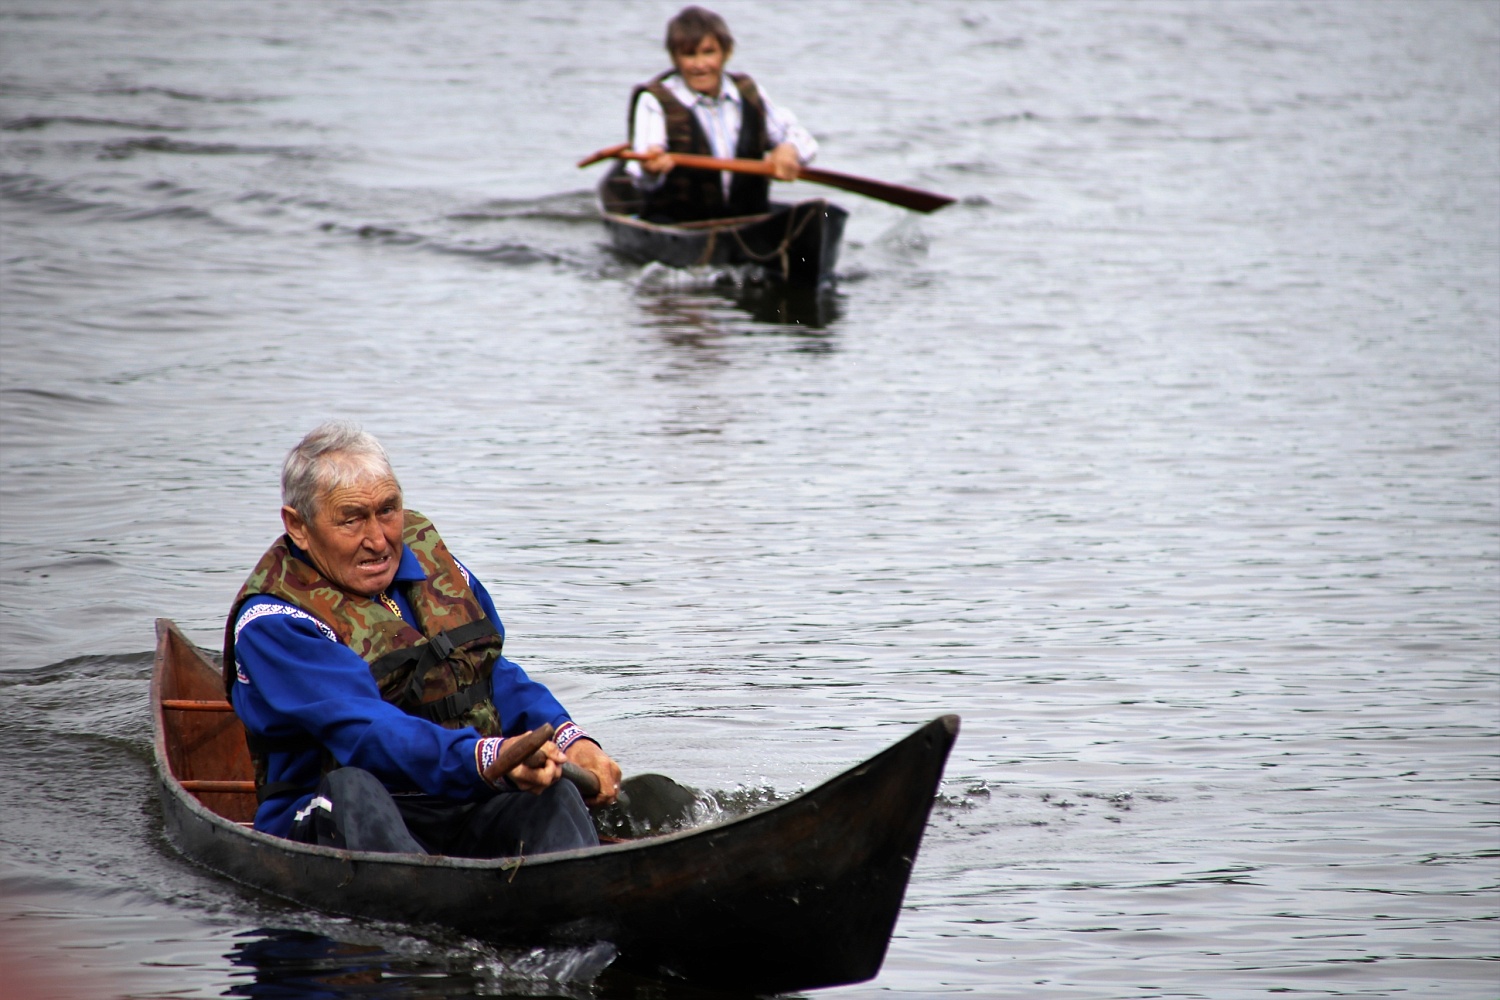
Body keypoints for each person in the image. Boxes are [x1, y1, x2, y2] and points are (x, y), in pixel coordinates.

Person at [223, 421, 621, 858]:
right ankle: (412, 911)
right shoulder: (272, 621)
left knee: (557, 795)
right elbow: (366, 733)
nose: (378, 540)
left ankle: (569, 897)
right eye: (352, 519)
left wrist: (571, 741)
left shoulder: (432, 564)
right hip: (340, 811)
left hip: (460, 795)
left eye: (388, 510)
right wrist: (486, 758)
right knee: (353, 792)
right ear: (298, 526)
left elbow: (489, 675)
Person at [626, 5, 819, 222]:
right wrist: (651, 170)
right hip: (681, 221)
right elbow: (640, 177)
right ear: (675, 58)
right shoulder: (654, 100)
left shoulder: (749, 93)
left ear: (726, 52)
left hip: (747, 218)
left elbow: (805, 141)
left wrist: (789, 149)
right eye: (689, 55)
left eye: (709, 52)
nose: (700, 65)